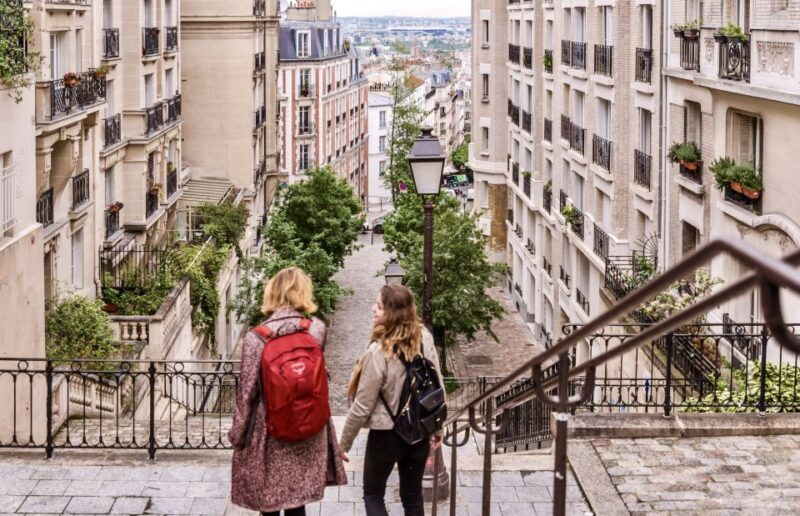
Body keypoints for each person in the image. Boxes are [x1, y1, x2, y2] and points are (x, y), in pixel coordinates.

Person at [228, 267, 347, 516]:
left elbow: (247, 393)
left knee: (269, 503)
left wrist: (238, 436)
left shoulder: (256, 338)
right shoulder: (316, 329)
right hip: (308, 428)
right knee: (297, 503)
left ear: (272, 293)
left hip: (271, 431)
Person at [339, 284, 445, 516]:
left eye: (378, 306)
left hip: (386, 436)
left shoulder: (378, 352)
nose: (372, 309)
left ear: (392, 313)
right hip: (418, 432)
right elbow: (437, 384)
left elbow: (362, 406)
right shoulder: (425, 338)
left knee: (373, 494)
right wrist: (437, 426)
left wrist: (343, 444)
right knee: (412, 497)